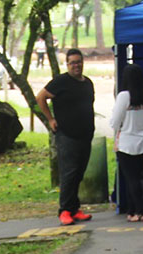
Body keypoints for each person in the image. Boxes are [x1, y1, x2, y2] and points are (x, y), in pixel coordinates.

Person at [36, 48, 96, 226]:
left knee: (79, 173)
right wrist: (50, 119)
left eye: (79, 62)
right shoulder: (61, 82)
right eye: (73, 63)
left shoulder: (88, 83)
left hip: (85, 135)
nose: (76, 66)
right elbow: (41, 97)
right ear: (67, 64)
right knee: (69, 173)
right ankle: (64, 210)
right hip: (67, 135)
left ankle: (74, 208)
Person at [110, 62, 143, 223]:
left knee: (131, 179)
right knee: (137, 177)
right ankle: (132, 211)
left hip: (127, 143)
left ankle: (140, 211)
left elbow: (114, 121)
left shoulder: (124, 96)